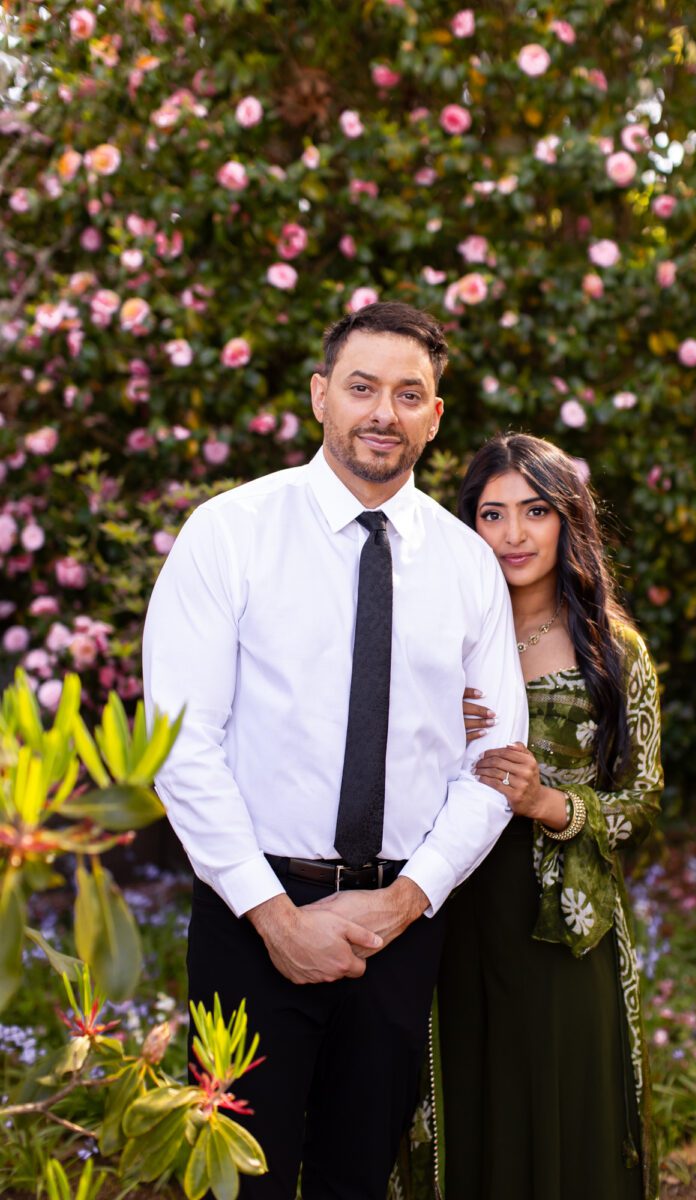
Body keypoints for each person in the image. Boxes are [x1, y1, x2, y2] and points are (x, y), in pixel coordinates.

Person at [142, 303, 529, 1200]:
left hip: (400, 922)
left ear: (435, 415)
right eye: (362, 388)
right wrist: (276, 917)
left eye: (408, 394)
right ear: (321, 396)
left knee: (361, 1177)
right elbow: (181, 746)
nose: (382, 413)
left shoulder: (469, 567)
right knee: (241, 1184)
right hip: (252, 918)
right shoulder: (229, 533)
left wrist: (406, 900)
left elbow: (495, 763)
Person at [432, 433, 663, 1200]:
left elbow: (642, 803)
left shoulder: (614, 652)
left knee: (559, 1114)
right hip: (447, 904)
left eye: (534, 511)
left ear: (567, 520)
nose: (513, 535)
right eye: (491, 514)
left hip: (563, 924)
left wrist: (547, 802)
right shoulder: (439, 641)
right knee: (466, 1100)